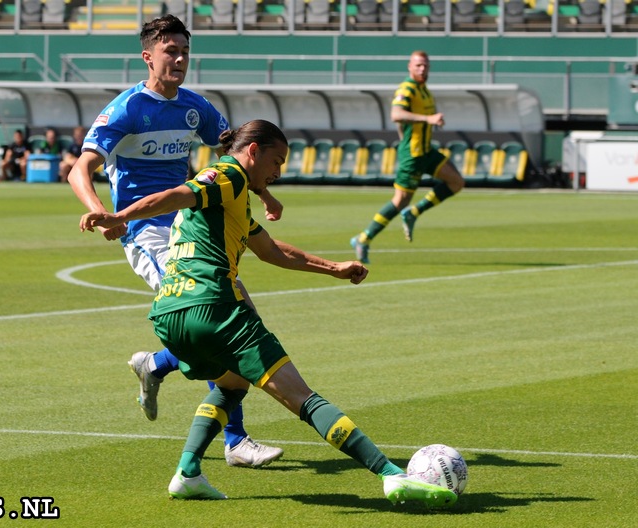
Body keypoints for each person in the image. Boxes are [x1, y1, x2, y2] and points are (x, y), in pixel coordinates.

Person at [78, 119, 458, 508]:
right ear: (254, 151)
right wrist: (123, 216)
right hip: (214, 308)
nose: (279, 172)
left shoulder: (233, 200)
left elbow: (274, 251)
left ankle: (188, 473)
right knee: (302, 397)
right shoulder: (229, 175)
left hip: (170, 317)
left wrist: (334, 268)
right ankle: (390, 475)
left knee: (232, 384)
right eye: (276, 161)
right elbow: (180, 193)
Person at [68, 14, 285, 468]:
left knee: (238, 313)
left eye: (185, 52)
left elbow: (237, 152)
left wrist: (264, 192)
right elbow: (79, 169)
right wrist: (100, 211)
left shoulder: (195, 107)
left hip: (191, 226)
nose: (181, 60)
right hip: (144, 231)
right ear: (148, 56)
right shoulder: (126, 109)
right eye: (171, 52)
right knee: (215, 315)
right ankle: (235, 441)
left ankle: (156, 365)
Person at [350, 50, 465, 263]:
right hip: (412, 154)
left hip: (426, 151)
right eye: (418, 65)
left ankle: (414, 212)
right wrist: (428, 119)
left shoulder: (424, 90)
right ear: (409, 67)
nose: (422, 69)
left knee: (456, 181)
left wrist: (431, 121)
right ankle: (363, 238)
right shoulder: (407, 89)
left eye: (425, 65)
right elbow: (396, 114)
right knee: (400, 201)